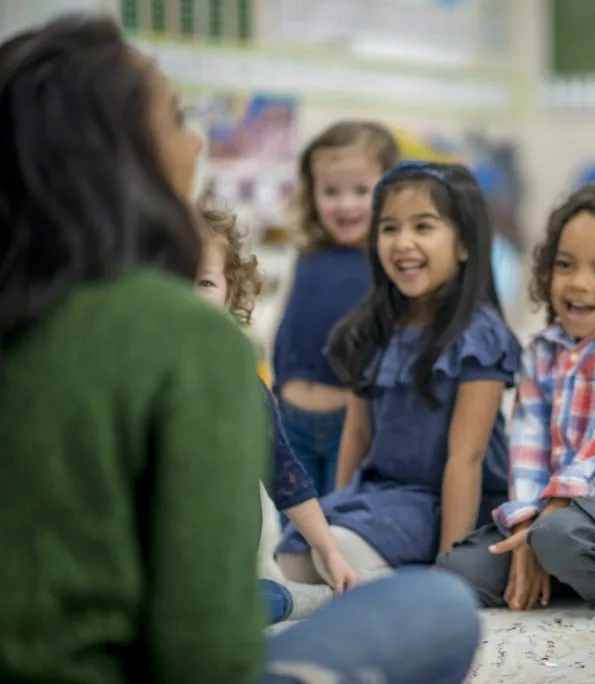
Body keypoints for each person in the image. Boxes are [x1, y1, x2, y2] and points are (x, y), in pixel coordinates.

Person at [0, 15, 481, 683]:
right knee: (438, 607)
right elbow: (203, 647)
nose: (199, 140)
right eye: (177, 118)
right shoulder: (187, 340)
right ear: (121, 154)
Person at [436, 184, 595, 610]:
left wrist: (546, 525)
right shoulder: (542, 350)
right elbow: (528, 451)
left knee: (559, 537)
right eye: (565, 265)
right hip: (555, 513)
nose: (579, 284)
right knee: (458, 573)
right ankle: (561, 568)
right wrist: (526, 521)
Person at [276, 161, 521, 584]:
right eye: (389, 229)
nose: (402, 243)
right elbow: (356, 435)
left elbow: (467, 459)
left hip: (446, 502)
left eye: (423, 227)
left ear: (464, 245)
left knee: (342, 555)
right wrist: (337, 508)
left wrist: (451, 565)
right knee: (296, 558)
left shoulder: (479, 336)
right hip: (381, 495)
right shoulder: (371, 329)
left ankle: (415, 584)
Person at [194, 201, 356, 622]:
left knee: (236, 609)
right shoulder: (128, 379)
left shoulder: (243, 388)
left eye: (203, 283)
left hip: (218, 570)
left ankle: (287, 599)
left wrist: (330, 552)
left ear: (233, 293)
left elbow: (285, 475)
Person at [272, 121, 399, 496]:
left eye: (361, 190)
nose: (345, 204)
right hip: (291, 418)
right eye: (331, 191)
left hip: (350, 423)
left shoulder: (387, 260)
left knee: (336, 526)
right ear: (312, 194)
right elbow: (290, 323)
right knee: (292, 535)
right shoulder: (307, 251)